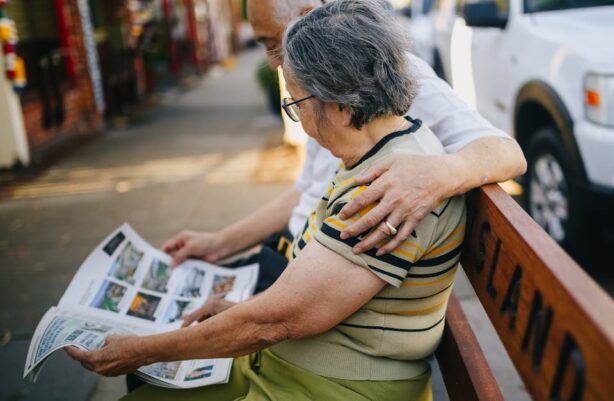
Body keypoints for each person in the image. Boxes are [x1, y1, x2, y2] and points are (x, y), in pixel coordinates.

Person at [67, 2, 469, 399]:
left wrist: (138, 351)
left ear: (342, 105)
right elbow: (308, 297)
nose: (300, 121)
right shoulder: (386, 147)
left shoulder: (385, 190)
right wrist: (243, 307)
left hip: (331, 387)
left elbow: (275, 323)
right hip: (299, 366)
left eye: (295, 104)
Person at [160, 0, 527, 289]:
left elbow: (507, 151)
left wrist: (439, 174)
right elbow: (304, 193)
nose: (272, 61)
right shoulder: (317, 90)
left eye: (274, 43)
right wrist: (217, 244)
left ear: (308, 17)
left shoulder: (385, 72)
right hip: (294, 252)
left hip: (319, 270)